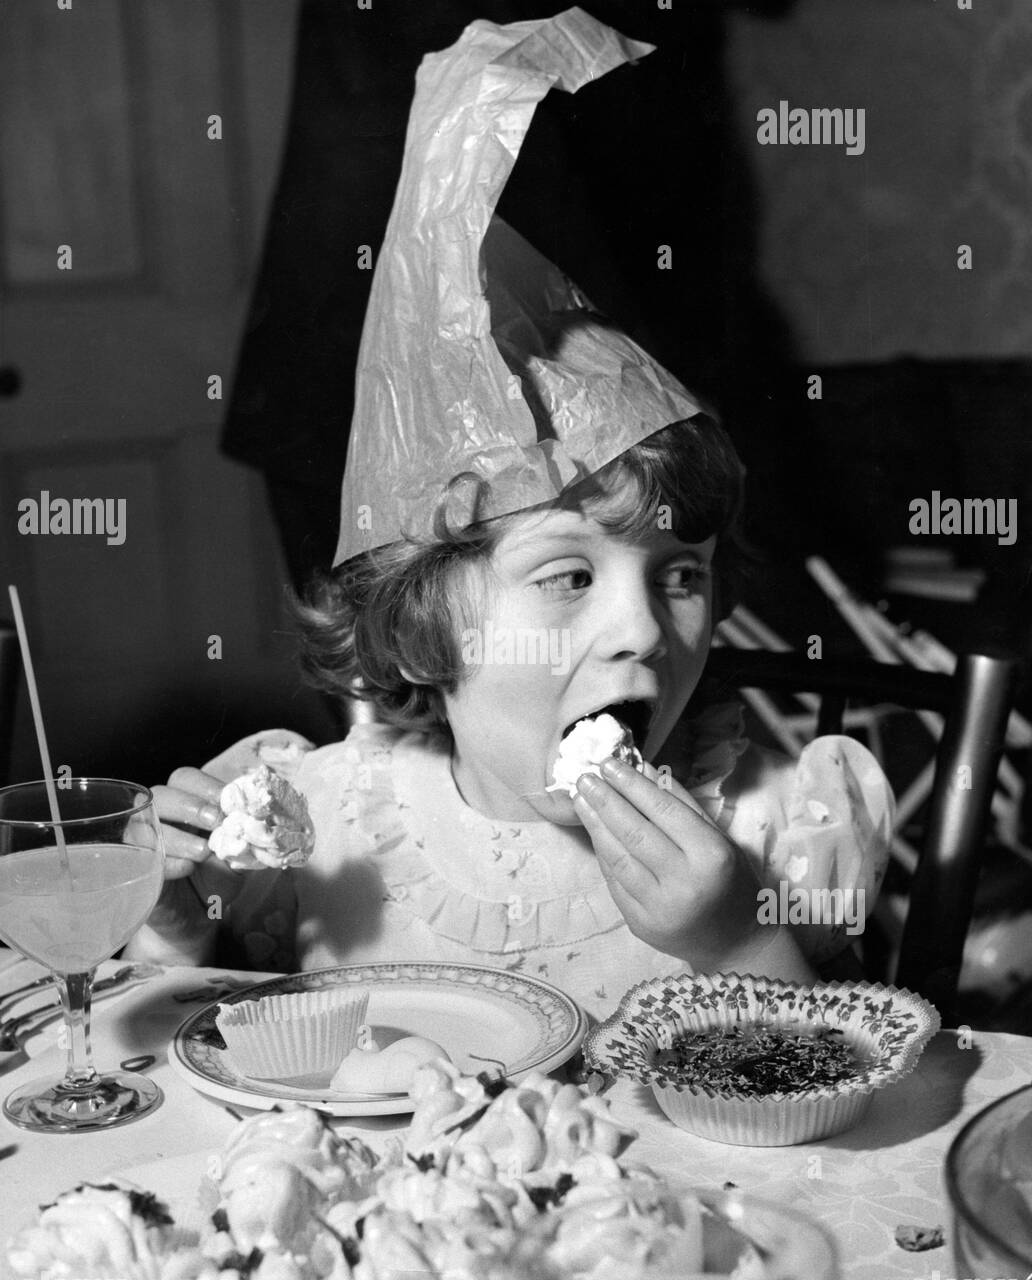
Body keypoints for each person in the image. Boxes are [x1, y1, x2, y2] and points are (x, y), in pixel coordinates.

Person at [127, 11, 892, 1012]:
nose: (644, 628)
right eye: (570, 574)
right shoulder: (316, 827)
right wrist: (182, 926)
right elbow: (215, 1046)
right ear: (417, 629)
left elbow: (844, 1091)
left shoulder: (768, 827)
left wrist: (738, 937)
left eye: (683, 572)